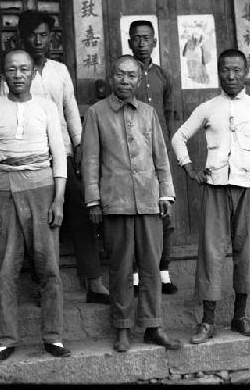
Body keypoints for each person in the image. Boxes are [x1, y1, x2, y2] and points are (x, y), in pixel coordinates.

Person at [171, 49, 250, 344]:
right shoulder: (208, 107)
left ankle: (240, 316)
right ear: (219, 72)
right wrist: (188, 168)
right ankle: (208, 321)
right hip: (214, 186)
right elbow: (179, 137)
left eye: (237, 70)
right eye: (226, 70)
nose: (232, 75)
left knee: (245, 249)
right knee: (212, 251)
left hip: (247, 187)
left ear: (246, 71)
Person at [0, 10, 109, 304]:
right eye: (32, 35)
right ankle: (42, 285)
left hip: (61, 153)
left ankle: (94, 281)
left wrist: (78, 145)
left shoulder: (59, 71)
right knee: (39, 221)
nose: (38, 40)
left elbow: (71, 110)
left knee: (81, 209)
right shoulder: (16, 71)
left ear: (51, 38)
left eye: (44, 35)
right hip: (31, 157)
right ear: (22, 37)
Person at [81, 55, 182, 353]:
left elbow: (160, 157)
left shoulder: (149, 112)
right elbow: (89, 160)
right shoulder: (97, 113)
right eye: (120, 75)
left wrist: (166, 194)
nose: (126, 81)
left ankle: (153, 326)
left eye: (132, 77)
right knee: (121, 268)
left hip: (150, 201)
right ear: (111, 78)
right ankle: (122, 328)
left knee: (151, 267)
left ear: (139, 81)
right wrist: (93, 200)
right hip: (115, 202)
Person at [0, 49, 71, 361]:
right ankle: (5, 339)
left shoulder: (46, 107)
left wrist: (58, 199)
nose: (18, 75)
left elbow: (59, 156)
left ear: (33, 73)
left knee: (48, 265)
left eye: (24, 69)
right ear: (3, 73)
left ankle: (53, 336)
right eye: (12, 69)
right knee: (6, 268)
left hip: (42, 188)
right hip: (4, 189)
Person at [127, 20, 178, 295]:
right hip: (133, 156)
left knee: (165, 213)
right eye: (137, 38)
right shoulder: (126, 75)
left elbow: (169, 114)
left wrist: (167, 151)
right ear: (130, 43)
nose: (142, 43)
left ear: (155, 42)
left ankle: (163, 271)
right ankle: (135, 275)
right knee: (135, 214)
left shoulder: (163, 76)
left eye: (147, 38)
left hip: (159, 155)